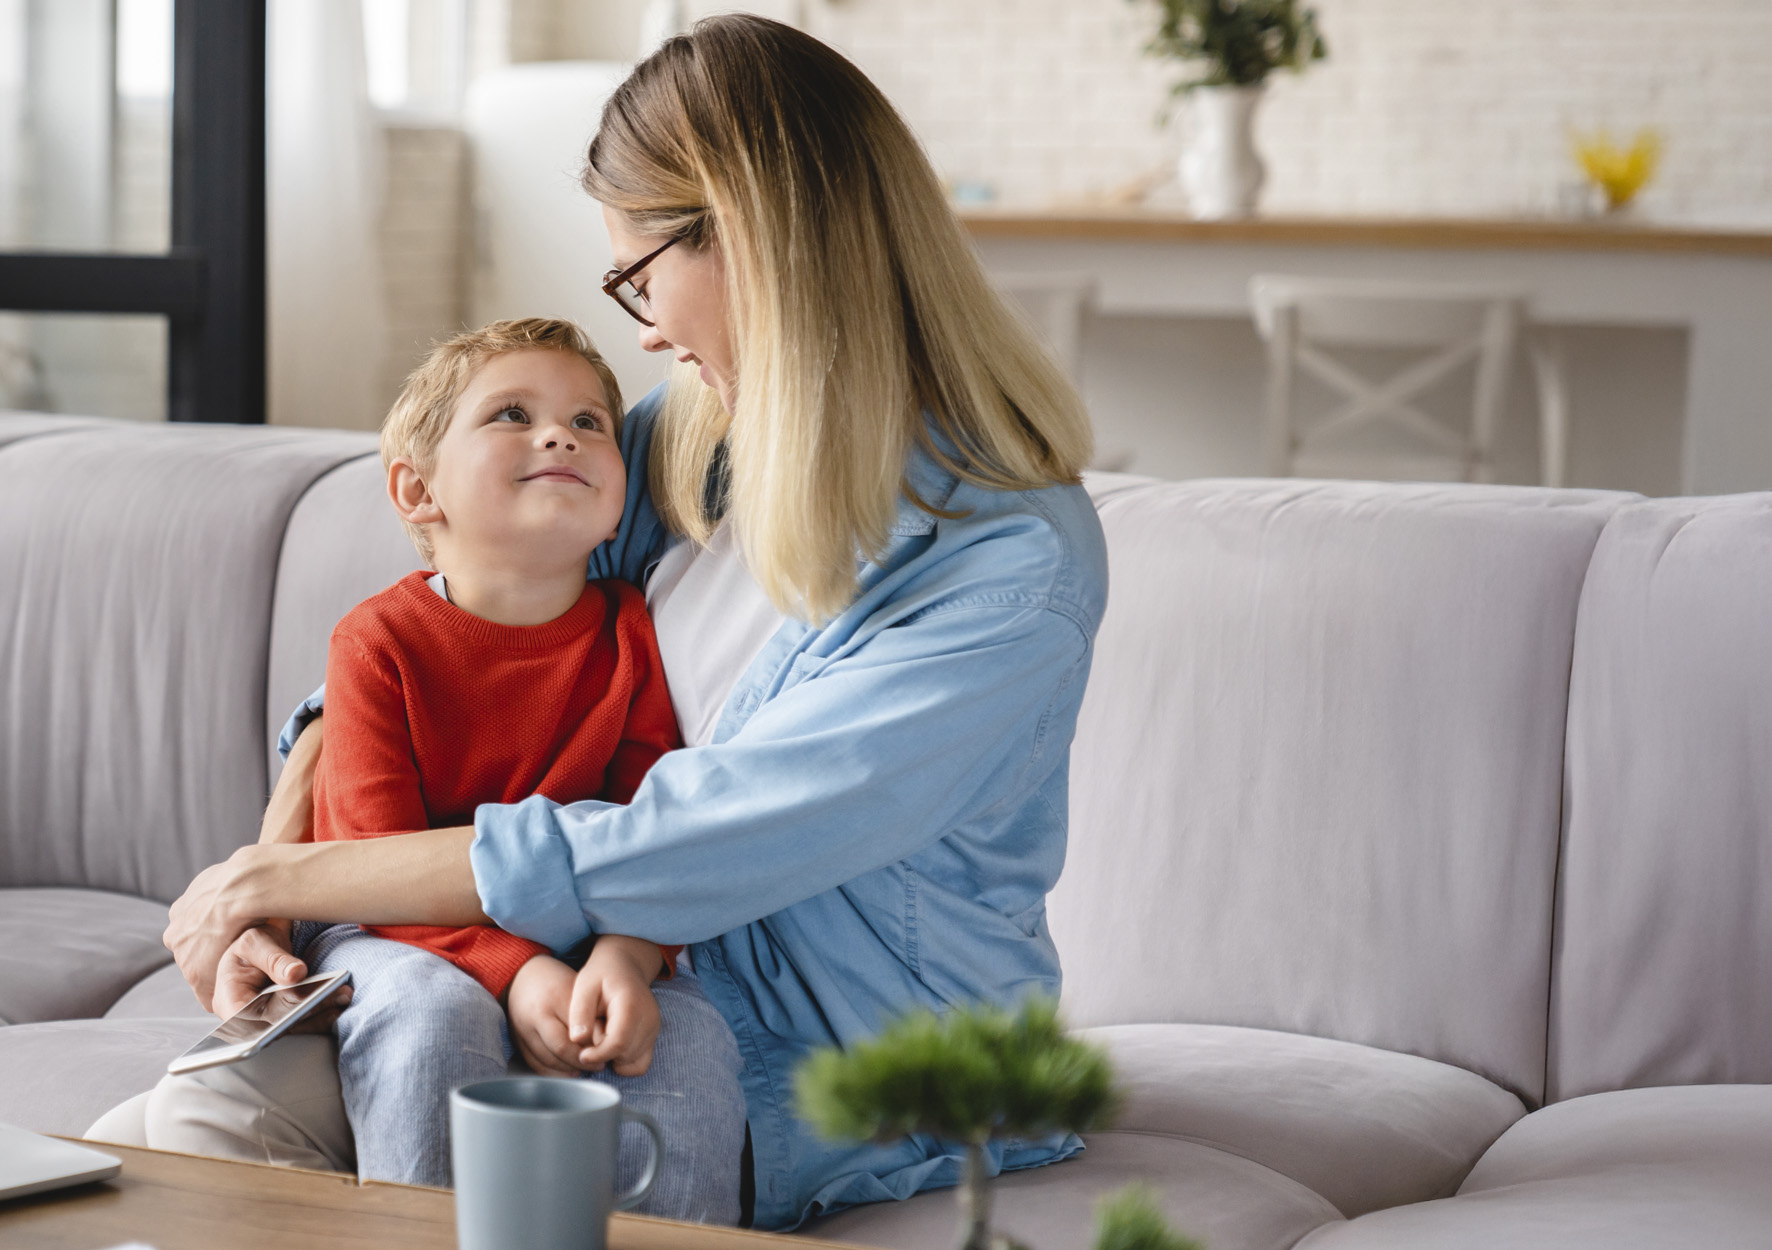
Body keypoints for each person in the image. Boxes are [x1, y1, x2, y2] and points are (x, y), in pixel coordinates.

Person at [150, 15, 1105, 1232]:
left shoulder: (1004, 566)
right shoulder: (693, 439)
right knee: (201, 1118)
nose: (643, 330)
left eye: (637, 279)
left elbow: (697, 834)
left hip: (822, 1061)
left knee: (233, 1140)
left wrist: (294, 874)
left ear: (749, 235)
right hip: (588, 977)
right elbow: (445, 640)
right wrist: (268, 889)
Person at [284, 316, 742, 1219]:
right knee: (432, 1015)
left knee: (686, 1038)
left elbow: (654, 834)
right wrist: (518, 972)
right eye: (512, 415)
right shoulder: (375, 644)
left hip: (581, 938)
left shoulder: (635, 634)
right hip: (386, 932)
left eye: (589, 421)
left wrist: (628, 958)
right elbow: (372, 867)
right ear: (418, 490)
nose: (559, 435)